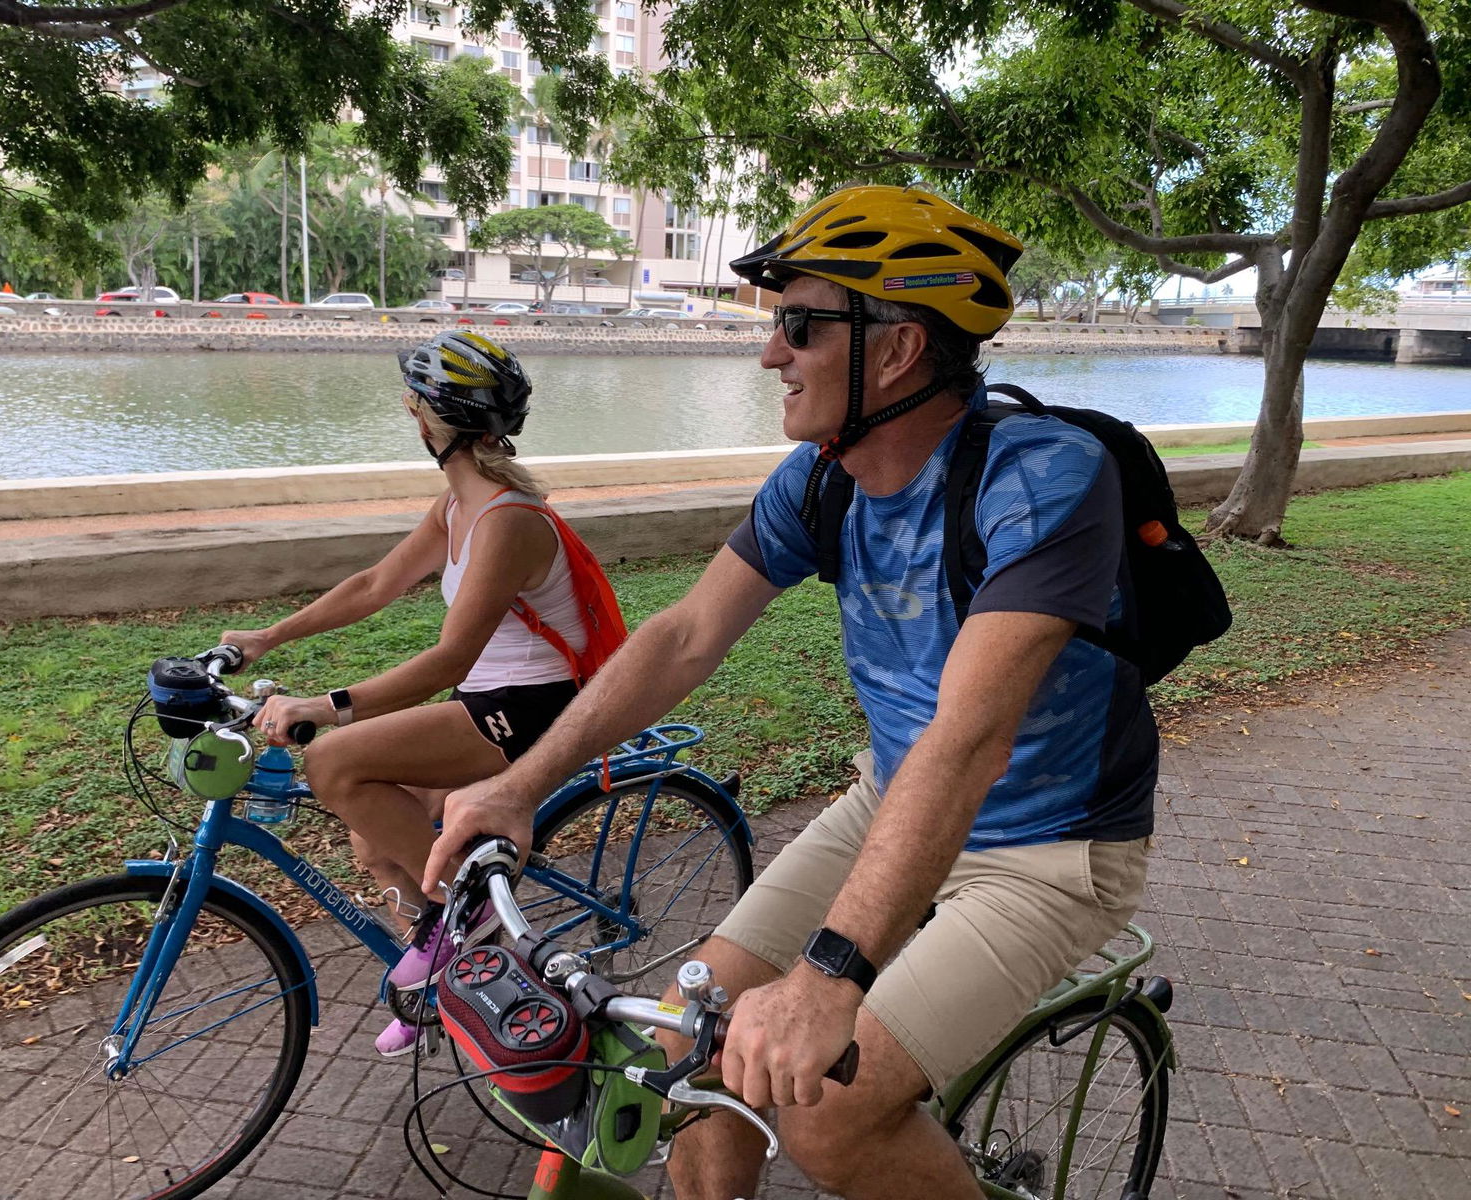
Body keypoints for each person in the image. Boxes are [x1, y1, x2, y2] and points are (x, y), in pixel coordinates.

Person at [424, 185, 1156, 1199]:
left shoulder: (1041, 480)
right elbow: (681, 636)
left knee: (829, 1115)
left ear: (896, 349)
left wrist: (826, 979)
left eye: (799, 327)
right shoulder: (822, 475)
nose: (771, 354)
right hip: (887, 802)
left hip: (1045, 850)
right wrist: (525, 783)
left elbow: (968, 738)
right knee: (688, 1059)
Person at [222, 330, 596, 1058]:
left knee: (333, 765)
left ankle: (473, 927)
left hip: (531, 711)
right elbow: (374, 586)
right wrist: (269, 636)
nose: (409, 412)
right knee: (372, 840)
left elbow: (448, 656)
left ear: (430, 418)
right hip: (488, 702)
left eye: (414, 402)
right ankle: (448, 971)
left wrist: (320, 707)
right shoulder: (457, 507)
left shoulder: (509, 521)